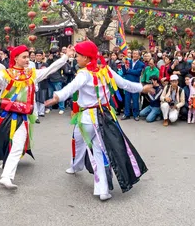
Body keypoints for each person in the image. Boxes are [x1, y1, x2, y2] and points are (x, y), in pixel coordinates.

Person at [45, 41, 151, 201]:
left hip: (87, 119)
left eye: (79, 55)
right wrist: (141, 88)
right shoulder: (105, 70)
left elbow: (71, 88)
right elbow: (124, 84)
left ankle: (82, 172)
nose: (76, 57)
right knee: (93, 149)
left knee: (85, 145)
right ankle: (98, 187)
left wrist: (57, 96)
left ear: (87, 58)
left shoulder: (84, 74)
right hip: (102, 117)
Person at [0, 45, 74, 189]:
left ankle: (6, 176)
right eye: (23, 57)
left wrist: (65, 57)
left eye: (27, 57)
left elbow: (50, 69)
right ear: (15, 58)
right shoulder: (6, 73)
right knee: (8, 142)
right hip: (6, 115)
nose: (27, 60)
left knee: (18, 144)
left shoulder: (32, 73)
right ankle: (6, 172)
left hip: (23, 115)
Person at [121, 50, 144, 120]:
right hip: (128, 83)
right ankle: (126, 114)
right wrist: (123, 65)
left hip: (135, 84)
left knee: (135, 100)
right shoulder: (128, 62)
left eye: (136, 54)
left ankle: (136, 115)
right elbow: (124, 72)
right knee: (127, 99)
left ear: (139, 56)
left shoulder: (141, 64)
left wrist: (129, 70)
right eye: (133, 53)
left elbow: (137, 72)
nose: (134, 55)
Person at [33, 50, 48, 119]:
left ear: (42, 56)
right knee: (35, 97)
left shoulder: (45, 64)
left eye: (40, 56)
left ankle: (41, 111)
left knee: (42, 96)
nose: (38, 57)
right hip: (35, 82)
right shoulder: (32, 64)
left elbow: (48, 73)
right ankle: (35, 111)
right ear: (35, 56)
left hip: (43, 82)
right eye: (37, 56)